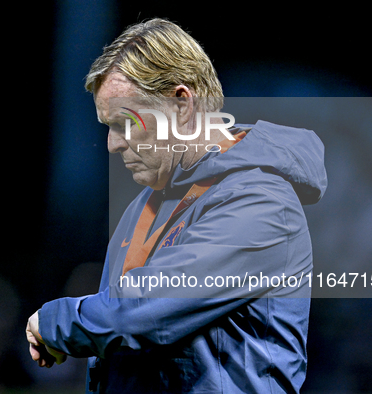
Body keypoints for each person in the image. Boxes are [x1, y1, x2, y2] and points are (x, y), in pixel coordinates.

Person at [26, 18, 327, 393]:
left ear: (181, 104)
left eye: (125, 123)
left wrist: (58, 323)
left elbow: (148, 312)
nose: (112, 144)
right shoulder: (146, 202)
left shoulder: (262, 202)